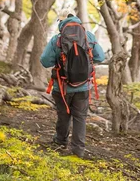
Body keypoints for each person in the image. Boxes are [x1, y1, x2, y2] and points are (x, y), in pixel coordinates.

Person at [40, 11, 104, 157]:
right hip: (84, 86)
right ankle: (78, 150)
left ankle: (60, 141)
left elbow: (44, 61)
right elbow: (100, 56)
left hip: (62, 87)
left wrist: (59, 60)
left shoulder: (57, 39)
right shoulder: (88, 37)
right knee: (80, 117)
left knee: (63, 114)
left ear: (61, 23)